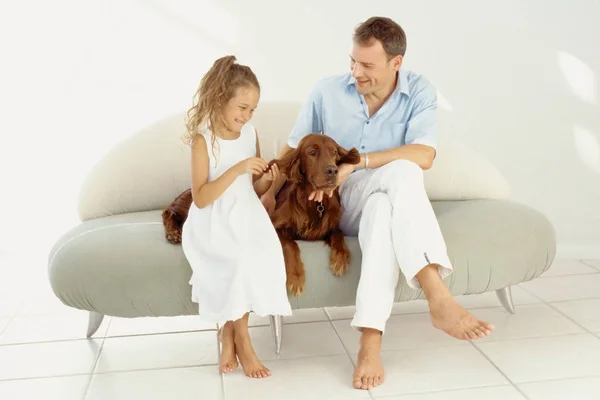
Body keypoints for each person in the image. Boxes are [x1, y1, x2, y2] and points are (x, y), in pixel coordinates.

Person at [261, 16, 495, 390]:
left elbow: (424, 155)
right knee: (402, 174)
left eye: (367, 65)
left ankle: (370, 344)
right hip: (335, 204)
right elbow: (294, 147)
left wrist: (358, 164)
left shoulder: (419, 91)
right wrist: (270, 190)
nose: (356, 72)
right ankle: (437, 295)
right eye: (353, 61)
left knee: (390, 199)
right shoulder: (326, 91)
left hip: (379, 197)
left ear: (396, 63)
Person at [180, 55, 292, 379]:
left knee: (260, 252)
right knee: (238, 256)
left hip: (245, 212)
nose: (247, 116)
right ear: (220, 99)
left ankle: (227, 333)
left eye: (252, 110)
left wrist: (268, 178)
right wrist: (238, 169)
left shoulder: (249, 133)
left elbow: (253, 186)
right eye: (242, 108)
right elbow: (201, 198)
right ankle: (243, 338)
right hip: (212, 219)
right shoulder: (204, 140)